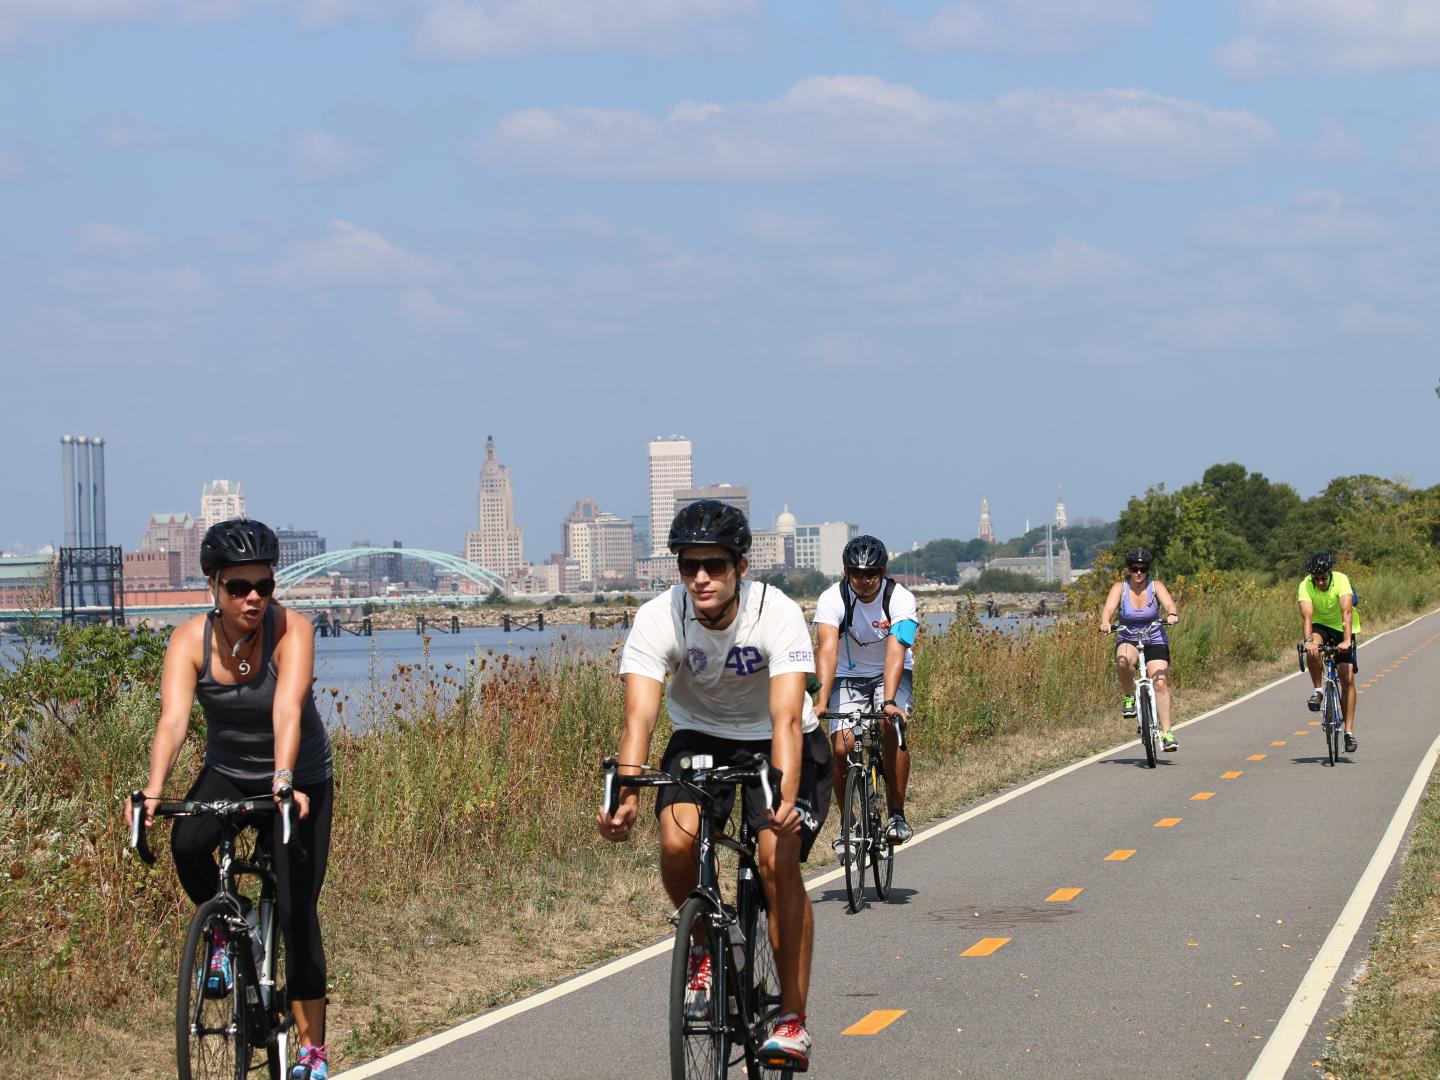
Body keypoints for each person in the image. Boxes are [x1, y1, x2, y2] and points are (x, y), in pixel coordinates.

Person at [596, 500, 830, 1071]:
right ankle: (704, 939)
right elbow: (639, 719)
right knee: (677, 842)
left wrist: (784, 801)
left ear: (740, 568)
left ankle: (793, 1020)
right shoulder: (659, 617)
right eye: (688, 565)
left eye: (714, 565)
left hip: (779, 739)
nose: (700, 577)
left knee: (778, 861)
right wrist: (624, 797)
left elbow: (785, 721)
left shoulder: (774, 614)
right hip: (699, 733)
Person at [131, 518, 334, 1080]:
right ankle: (229, 924)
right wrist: (153, 789)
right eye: (238, 587)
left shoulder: (293, 631)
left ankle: (312, 1053)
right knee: (187, 841)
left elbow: (286, 709)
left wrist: (284, 776)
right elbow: (172, 722)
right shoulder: (188, 640)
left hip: (299, 778)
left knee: (296, 913)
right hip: (227, 770)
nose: (252, 598)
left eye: (264, 587)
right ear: (213, 587)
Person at [813, 534, 919, 845]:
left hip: (891, 672)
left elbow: (897, 649)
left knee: (890, 725)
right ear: (846, 573)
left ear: (883, 572)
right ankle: (847, 822)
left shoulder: (901, 599)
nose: (865, 581)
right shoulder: (831, 599)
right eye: (857, 574)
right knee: (843, 747)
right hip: (847, 675)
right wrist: (821, 701)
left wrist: (888, 700)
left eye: (871, 574)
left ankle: (897, 815)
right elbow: (828, 651)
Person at [1099, 546, 1180, 750]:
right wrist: (1106, 622)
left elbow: (1169, 605)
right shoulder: (1120, 588)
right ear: (1128, 569)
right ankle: (1129, 696)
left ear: (1147, 570)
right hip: (1128, 636)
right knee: (1123, 662)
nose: (1138, 573)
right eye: (1135, 568)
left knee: (1160, 683)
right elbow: (1109, 608)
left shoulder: (1155, 586)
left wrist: (1171, 614)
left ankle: (1167, 733)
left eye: (1142, 569)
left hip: (1154, 638)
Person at [1298, 550, 1360, 753]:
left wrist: (1346, 640)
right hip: (1321, 626)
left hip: (1343, 627)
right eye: (1317, 579)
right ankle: (1318, 691)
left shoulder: (1341, 580)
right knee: (1313, 649)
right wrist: (1308, 642)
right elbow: (1307, 617)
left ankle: (1349, 733)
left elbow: (1347, 612)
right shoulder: (1305, 585)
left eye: (1324, 578)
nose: (1321, 582)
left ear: (1330, 573)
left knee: (1347, 677)